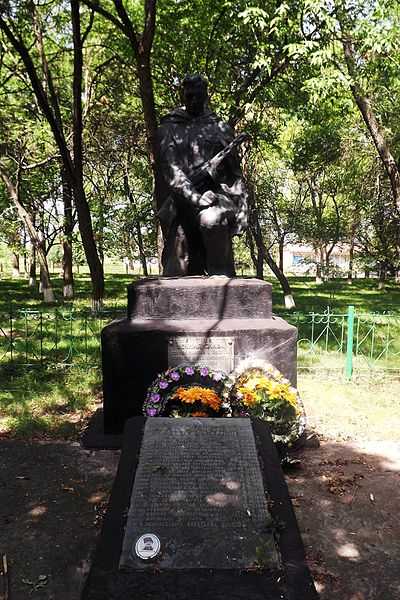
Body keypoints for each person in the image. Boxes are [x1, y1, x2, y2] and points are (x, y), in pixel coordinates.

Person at [155, 73, 248, 277]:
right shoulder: (168, 128)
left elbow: (235, 175)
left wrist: (241, 212)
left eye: (199, 96)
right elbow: (172, 170)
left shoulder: (220, 128)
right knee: (176, 267)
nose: (194, 101)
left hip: (217, 197)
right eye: (190, 96)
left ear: (206, 96)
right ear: (183, 96)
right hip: (182, 199)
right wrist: (195, 197)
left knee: (211, 218)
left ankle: (220, 276)